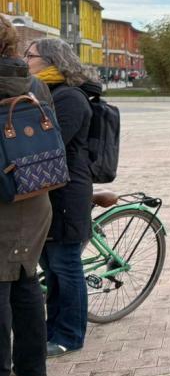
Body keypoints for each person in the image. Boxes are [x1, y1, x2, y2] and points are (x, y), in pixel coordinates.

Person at [26, 38, 102, 358]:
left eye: (30, 56)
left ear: (50, 60)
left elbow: (54, 141)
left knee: (65, 264)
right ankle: (53, 326)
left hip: (68, 192)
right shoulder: (45, 93)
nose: (24, 60)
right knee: (51, 263)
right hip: (50, 191)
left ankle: (70, 334)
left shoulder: (69, 96)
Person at [0, 17, 50, 376]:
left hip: (3, 197)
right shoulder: (34, 84)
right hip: (34, 192)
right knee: (25, 276)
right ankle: (32, 369)